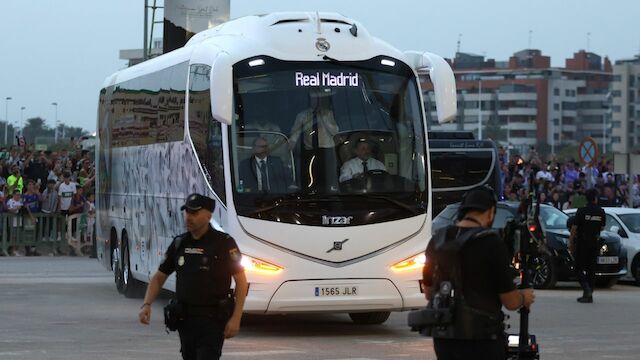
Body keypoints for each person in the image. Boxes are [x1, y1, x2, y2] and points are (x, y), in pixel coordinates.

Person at [422, 186, 535, 359]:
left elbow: (429, 293)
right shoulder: (491, 243)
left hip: (445, 339)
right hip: (482, 340)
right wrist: (524, 297)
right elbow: (510, 302)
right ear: (490, 212)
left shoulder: (438, 239)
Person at [138, 193, 248, 360]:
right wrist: (146, 304)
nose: (189, 217)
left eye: (194, 213)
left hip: (212, 320)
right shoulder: (179, 243)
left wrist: (236, 317)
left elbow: (241, 281)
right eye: (187, 212)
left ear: (208, 215)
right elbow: (159, 277)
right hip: (185, 320)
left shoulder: (224, 243)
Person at [289, 88, 339, 190]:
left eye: (318, 99)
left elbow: (335, 131)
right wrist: (291, 144)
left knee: (327, 176)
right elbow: (295, 132)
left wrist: (323, 118)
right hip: (310, 150)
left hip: (327, 150)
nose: (316, 101)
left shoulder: (328, 114)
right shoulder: (302, 115)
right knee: (311, 177)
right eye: (313, 99)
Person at [569, 188, 605, 303]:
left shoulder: (581, 211)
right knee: (591, 270)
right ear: (595, 198)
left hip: (582, 243)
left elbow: (574, 228)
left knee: (578, 269)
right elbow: (602, 227)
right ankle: (589, 294)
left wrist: (571, 243)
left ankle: (587, 290)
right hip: (594, 244)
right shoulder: (601, 211)